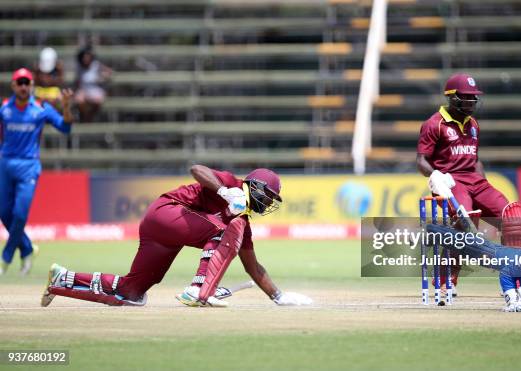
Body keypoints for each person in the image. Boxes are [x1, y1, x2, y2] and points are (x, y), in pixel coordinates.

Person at [41, 166, 312, 307]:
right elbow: (196, 169)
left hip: (162, 231)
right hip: (167, 212)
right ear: (255, 186)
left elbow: (253, 267)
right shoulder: (230, 183)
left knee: (132, 293)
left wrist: (278, 296)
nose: (268, 203)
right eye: (268, 196)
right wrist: (224, 192)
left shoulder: (242, 222)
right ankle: (197, 289)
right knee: (223, 229)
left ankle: (63, 278)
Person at [416, 73, 521, 293]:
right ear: (452, 97)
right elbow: (421, 161)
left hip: (476, 181)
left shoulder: (473, 124)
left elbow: (475, 159)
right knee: (466, 224)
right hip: (450, 181)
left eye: (473, 97)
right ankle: (445, 277)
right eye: (466, 97)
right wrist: (436, 175)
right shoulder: (434, 124)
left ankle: (513, 280)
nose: (471, 101)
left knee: (513, 221)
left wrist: (484, 190)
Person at [0, 68, 74, 275]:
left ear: (31, 85)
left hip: (28, 166)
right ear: (14, 86)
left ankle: (5, 258)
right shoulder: (4, 108)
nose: (23, 87)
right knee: (4, 214)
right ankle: (27, 248)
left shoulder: (41, 109)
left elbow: (65, 128)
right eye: (19, 83)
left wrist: (66, 108)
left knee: (20, 213)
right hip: (5, 164)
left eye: (27, 83)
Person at [74, 46, 112, 122]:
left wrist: (102, 78)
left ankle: (89, 118)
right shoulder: (79, 67)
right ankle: (85, 118)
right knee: (79, 100)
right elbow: (77, 82)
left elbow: (109, 72)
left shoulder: (96, 65)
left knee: (97, 101)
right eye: (84, 57)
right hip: (84, 89)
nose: (86, 59)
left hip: (94, 89)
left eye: (87, 56)